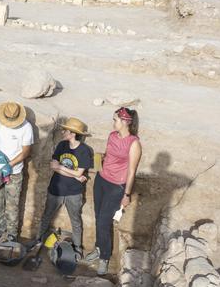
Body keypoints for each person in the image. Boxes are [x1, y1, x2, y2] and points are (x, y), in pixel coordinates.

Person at [85, 107, 142, 275]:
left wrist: (127, 195)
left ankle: (104, 257)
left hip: (117, 186)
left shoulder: (134, 144)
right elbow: (110, 155)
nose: (113, 122)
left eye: (115, 119)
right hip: (101, 180)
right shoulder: (112, 136)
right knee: (98, 217)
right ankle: (98, 247)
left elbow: (132, 171)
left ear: (125, 122)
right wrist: (100, 158)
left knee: (104, 221)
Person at [33, 118, 93, 256]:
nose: (63, 132)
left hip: (74, 193)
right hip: (56, 189)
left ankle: (78, 248)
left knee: (76, 221)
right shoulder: (62, 145)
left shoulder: (84, 150)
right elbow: (53, 166)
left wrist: (63, 168)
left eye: (65, 130)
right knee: (46, 216)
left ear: (73, 133)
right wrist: (75, 175)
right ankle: (38, 240)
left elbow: (65, 168)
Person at [0, 101, 34, 243]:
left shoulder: (26, 127)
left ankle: (12, 233)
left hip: (14, 173)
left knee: (12, 205)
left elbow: (26, 151)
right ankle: (0, 227)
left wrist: (10, 165)